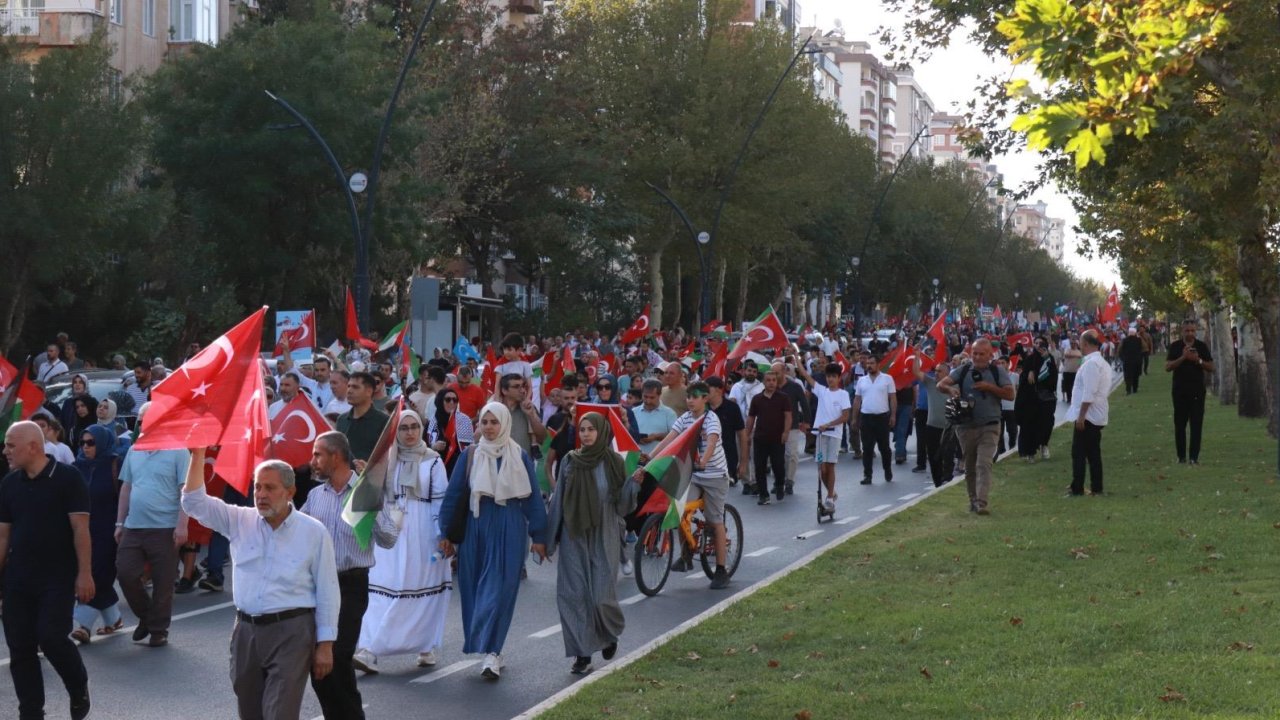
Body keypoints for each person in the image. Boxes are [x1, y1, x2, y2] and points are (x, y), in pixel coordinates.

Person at [182, 449, 339, 720]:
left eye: (270, 488)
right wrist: (197, 456)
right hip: (246, 632)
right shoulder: (239, 520)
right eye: (257, 487)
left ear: (290, 492)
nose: (261, 494)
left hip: (292, 633)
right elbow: (194, 502)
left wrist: (325, 644)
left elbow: (327, 590)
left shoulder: (313, 532)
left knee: (280, 713)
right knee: (250, 711)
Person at [438, 402, 548, 679]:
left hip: (509, 525)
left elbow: (533, 497)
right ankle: (486, 645)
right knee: (474, 587)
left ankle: (493, 652)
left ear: (505, 424)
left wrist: (539, 535)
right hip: (475, 526)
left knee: (500, 589)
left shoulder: (518, 455)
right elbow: (454, 496)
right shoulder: (471, 456)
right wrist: (447, 534)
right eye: (484, 422)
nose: (488, 427)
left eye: (493, 422)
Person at [0, 422, 93, 720]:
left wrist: (85, 573)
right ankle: (31, 712)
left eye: (11, 445)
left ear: (33, 447)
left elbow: (81, 528)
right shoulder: (9, 484)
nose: (5, 451)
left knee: (52, 638)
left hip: (57, 576)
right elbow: (3, 535)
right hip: (18, 578)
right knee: (20, 647)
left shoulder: (68, 478)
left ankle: (78, 685)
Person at [354, 411, 452, 673]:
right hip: (390, 532)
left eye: (414, 427)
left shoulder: (433, 462)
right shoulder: (386, 461)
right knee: (384, 589)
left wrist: (443, 536)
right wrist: (366, 476)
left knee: (419, 587)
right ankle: (369, 649)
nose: (410, 433)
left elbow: (440, 502)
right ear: (395, 432)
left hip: (423, 534)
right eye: (404, 428)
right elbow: (373, 495)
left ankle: (425, 644)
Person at [545, 412, 640, 675]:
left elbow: (622, 506)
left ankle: (609, 635)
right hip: (574, 534)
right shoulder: (569, 461)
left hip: (605, 533)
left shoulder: (613, 463)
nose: (586, 434)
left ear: (602, 432)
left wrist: (633, 486)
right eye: (582, 429)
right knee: (573, 595)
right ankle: (582, 653)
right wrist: (547, 540)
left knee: (600, 595)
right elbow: (558, 499)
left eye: (591, 429)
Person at [300, 432, 371, 719]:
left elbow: (389, 537)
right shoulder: (315, 496)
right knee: (318, 663)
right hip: (317, 586)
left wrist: (372, 500)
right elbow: (295, 531)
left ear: (336, 456)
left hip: (350, 584)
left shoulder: (364, 491)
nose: (312, 461)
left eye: (318, 454)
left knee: (337, 657)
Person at [640, 382, 732, 589]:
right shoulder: (685, 418)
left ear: (705, 399)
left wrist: (705, 460)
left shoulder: (711, 419)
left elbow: (711, 441)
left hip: (714, 476)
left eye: (695, 396)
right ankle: (686, 554)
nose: (690, 400)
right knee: (679, 508)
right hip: (693, 474)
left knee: (714, 520)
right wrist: (651, 459)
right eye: (688, 396)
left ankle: (721, 570)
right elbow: (669, 440)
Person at [115, 405, 191, 648]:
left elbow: (185, 491)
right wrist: (119, 522)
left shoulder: (179, 450)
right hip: (134, 526)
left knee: (163, 582)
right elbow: (126, 487)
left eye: (145, 420)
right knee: (125, 572)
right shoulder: (134, 450)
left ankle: (159, 630)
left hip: (165, 527)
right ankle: (147, 617)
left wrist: (182, 525)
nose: (140, 424)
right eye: (139, 420)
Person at [938, 339, 1014, 515]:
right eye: (975, 353)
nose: (978, 357)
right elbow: (941, 384)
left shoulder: (997, 371)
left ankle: (982, 503)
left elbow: (1010, 394)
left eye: (982, 354)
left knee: (984, 463)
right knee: (970, 466)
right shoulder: (963, 370)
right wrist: (951, 390)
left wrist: (990, 387)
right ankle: (973, 500)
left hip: (990, 426)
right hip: (966, 427)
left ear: (990, 355)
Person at [71, 424, 124, 642]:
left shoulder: (115, 464)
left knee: (97, 575)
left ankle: (83, 625)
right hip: (81, 531)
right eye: (82, 442)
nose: (86, 447)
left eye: (91, 442)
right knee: (88, 572)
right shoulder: (76, 467)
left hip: (109, 530)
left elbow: (124, 496)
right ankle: (114, 617)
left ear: (102, 442)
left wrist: (123, 525)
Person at [795, 361, 851, 509]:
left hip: (834, 435)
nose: (830, 379)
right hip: (820, 435)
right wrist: (796, 357)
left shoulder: (843, 394)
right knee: (822, 468)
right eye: (828, 376)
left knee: (830, 467)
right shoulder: (822, 391)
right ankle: (831, 493)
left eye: (833, 376)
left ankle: (830, 498)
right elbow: (806, 375)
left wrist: (829, 424)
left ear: (839, 378)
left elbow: (845, 417)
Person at [1066, 331, 1112, 496]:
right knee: (1093, 452)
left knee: (1079, 453)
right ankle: (1096, 487)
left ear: (1086, 343)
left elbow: (1089, 393)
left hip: (1088, 416)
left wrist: (1081, 416)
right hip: (1094, 414)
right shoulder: (1100, 362)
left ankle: (1077, 487)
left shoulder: (1092, 364)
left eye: (1080, 342)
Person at [1166, 319, 1214, 465]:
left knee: (1196, 424)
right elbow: (1168, 367)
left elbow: (1211, 367)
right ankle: (1181, 457)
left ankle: (1194, 457)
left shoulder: (1201, 346)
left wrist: (1197, 360)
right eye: (1187, 331)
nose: (1190, 333)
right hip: (1179, 391)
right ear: (1183, 331)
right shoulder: (1175, 346)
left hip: (1197, 391)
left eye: (1193, 331)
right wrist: (1183, 357)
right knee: (1180, 425)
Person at [746, 370, 792, 505]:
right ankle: (763, 494)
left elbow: (788, 416)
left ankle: (779, 485)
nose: (771, 383)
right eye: (768, 380)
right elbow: (751, 417)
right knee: (759, 467)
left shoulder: (783, 398)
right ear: (764, 382)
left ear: (776, 382)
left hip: (777, 438)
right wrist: (747, 434)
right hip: (760, 438)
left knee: (778, 465)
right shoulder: (757, 399)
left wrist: (786, 432)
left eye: (773, 380)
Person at [851, 353, 896, 485]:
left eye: (872, 363)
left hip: (882, 418)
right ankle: (867, 475)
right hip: (866, 418)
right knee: (867, 448)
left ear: (878, 364)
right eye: (867, 364)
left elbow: (892, 398)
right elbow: (857, 400)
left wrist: (893, 415)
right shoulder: (861, 381)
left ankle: (887, 469)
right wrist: (854, 418)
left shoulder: (887, 379)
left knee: (884, 448)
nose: (869, 366)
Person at [911, 358, 952, 487]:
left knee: (948, 456)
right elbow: (916, 371)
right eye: (936, 371)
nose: (936, 373)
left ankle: (948, 479)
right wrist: (917, 356)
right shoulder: (930, 383)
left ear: (947, 374)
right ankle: (938, 483)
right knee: (934, 458)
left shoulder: (954, 386)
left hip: (949, 428)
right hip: (932, 427)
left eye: (940, 371)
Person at [773, 362, 811, 496]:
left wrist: (806, 422)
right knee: (777, 456)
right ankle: (778, 480)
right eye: (773, 373)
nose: (774, 376)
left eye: (776, 373)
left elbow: (804, 404)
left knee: (792, 455)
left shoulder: (794, 387)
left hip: (792, 426)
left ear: (784, 372)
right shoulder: (771, 387)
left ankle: (789, 481)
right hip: (775, 426)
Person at [337, 371, 390, 461]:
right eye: (348, 386)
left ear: (369, 391)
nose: (349, 391)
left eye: (355, 387)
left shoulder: (384, 421)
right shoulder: (342, 420)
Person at [429, 388, 475, 477]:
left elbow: (469, 447)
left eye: (455, 400)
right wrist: (433, 446)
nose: (452, 403)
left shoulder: (465, 420)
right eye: (448, 399)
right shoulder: (431, 423)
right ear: (440, 401)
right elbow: (424, 446)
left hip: (458, 468)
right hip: (436, 467)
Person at [1119, 327, 1145, 395]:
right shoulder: (1139, 340)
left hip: (1127, 361)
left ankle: (1128, 390)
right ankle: (1135, 389)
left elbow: (1120, 350)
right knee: (1136, 375)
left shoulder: (1124, 340)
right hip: (1137, 361)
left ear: (1129, 333)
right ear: (1135, 333)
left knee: (1128, 376)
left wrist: (1122, 358)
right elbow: (1142, 348)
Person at [1060, 338, 1083, 404]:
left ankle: (1073, 398)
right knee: (1067, 386)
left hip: (1075, 371)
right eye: (1071, 344)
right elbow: (1067, 355)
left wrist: (1079, 366)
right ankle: (1069, 398)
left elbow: (1080, 360)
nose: (1072, 345)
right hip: (1067, 371)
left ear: (1076, 344)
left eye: (1074, 343)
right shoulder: (1068, 350)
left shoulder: (1079, 351)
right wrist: (1076, 356)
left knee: (1074, 386)